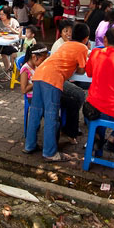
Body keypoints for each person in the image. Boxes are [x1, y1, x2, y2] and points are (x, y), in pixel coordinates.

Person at [24, 22, 89, 161]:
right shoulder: (82, 48)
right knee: (51, 116)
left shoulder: (66, 44)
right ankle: (50, 153)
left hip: (39, 74)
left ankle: (29, 146)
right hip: (52, 80)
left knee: (35, 112)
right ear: (86, 38)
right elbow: (82, 70)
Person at [0, 6, 20, 73]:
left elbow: (19, 33)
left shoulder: (13, 21)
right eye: (0, 14)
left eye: (3, 14)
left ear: (7, 14)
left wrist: (11, 29)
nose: (1, 16)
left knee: (3, 53)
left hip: (12, 44)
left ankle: (7, 74)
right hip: (0, 43)